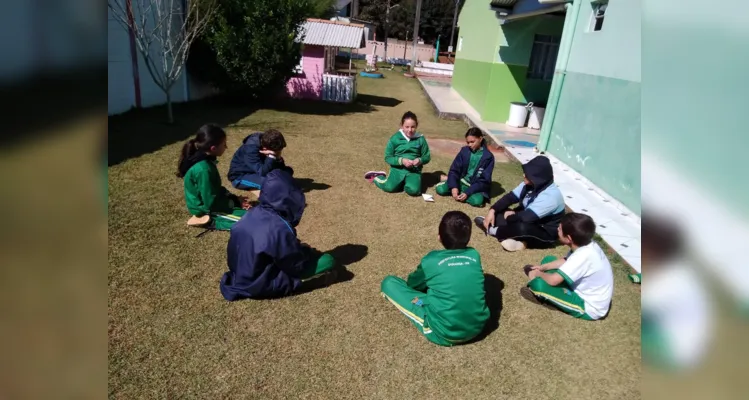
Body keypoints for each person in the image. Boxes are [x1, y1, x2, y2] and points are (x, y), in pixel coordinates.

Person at [220, 169, 338, 300]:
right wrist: (308, 254)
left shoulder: (252, 213)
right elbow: (295, 266)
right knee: (328, 260)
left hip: (239, 274)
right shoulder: (279, 227)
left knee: (300, 250)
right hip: (260, 283)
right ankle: (308, 282)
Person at [380, 211, 490, 346]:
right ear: (469, 237)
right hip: (479, 328)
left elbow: (413, 284)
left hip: (444, 332)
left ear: (439, 237)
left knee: (389, 283)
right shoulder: (474, 255)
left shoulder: (431, 260)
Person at [520, 212, 613, 321]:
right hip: (581, 287)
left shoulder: (583, 256)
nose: (557, 230)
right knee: (548, 260)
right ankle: (556, 295)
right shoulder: (586, 243)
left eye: (559, 229)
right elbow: (566, 261)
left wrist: (536, 273)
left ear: (569, 238)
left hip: (589, 306)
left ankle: (553, 301)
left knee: (538, 285)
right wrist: (543, 268)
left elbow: (553, 281)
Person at [474, 156, 564, 252]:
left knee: (521, 227)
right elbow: (510, 197)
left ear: (538, 178)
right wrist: (492, 210)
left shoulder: (550, 196)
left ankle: (491, 230)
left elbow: (526, 218)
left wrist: (509, 217)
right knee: (501, 211)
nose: (524, 175)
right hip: (528, 218)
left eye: (529, 174)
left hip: (543, 231)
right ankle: (518, 241)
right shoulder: (530, 184)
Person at [176, 124, 250, 231]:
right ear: (213, 148)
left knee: (253, 215)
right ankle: (211, 221)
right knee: (251, 221)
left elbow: (214, 189)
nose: (226, 147)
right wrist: (233, 203)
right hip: (206, 209)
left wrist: (234, 199)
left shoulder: (206, 160)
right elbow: (210, 203)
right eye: (224, 144)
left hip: (213, 202)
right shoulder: (204, 169)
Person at [365, 111, 431, 196]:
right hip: (398, 169)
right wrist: (402, 161)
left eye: (413, 127)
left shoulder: (420, 138)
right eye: (407, 127)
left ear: (416, 126)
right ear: (401, 125)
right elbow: (388, 157)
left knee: (414, 191)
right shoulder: (395, 138)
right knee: (390, 188)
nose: (410, 130)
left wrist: (420, 160)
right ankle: (376, 177)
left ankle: (407, 181)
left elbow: (427, 156)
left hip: (414, 170)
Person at [434, 127, 495, 207]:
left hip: (473, 186)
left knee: (478, 201)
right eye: (468, 142)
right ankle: (452, 185)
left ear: (480, 139)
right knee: (440, 190)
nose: (469, 145)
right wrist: (454, 187)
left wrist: (468, 192)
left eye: (472, 142)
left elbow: (484, 181)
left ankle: (461, 192)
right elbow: (454, 170)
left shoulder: (488, 157)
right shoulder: (464, 151)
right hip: (460, 181)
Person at [227, 129, 294, 192]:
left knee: (287, 171)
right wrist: (271, 156)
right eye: (277, 151)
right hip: (240, 176)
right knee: (274, 183)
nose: (278, 152)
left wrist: (278, 157)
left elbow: (280, 168)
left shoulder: (265, 141)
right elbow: (262, 172)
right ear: (265, 148)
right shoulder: (250, 149)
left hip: (258, 171)